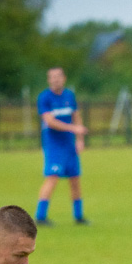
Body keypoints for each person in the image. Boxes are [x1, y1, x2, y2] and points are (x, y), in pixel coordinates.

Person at [36, 67, 89, 226]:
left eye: (58, 76)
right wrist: (73, 129)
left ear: (64, 78)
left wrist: (79, 140)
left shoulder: (69, 95)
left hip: (69, 145)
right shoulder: (44, 98)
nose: (55, 79)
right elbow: (50, 122)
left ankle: (79, 216)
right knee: (52, 178)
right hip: (54, 146)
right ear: (48, 80)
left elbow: (76, 116)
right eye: (52, 77)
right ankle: (40, 216)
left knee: (75, 179)